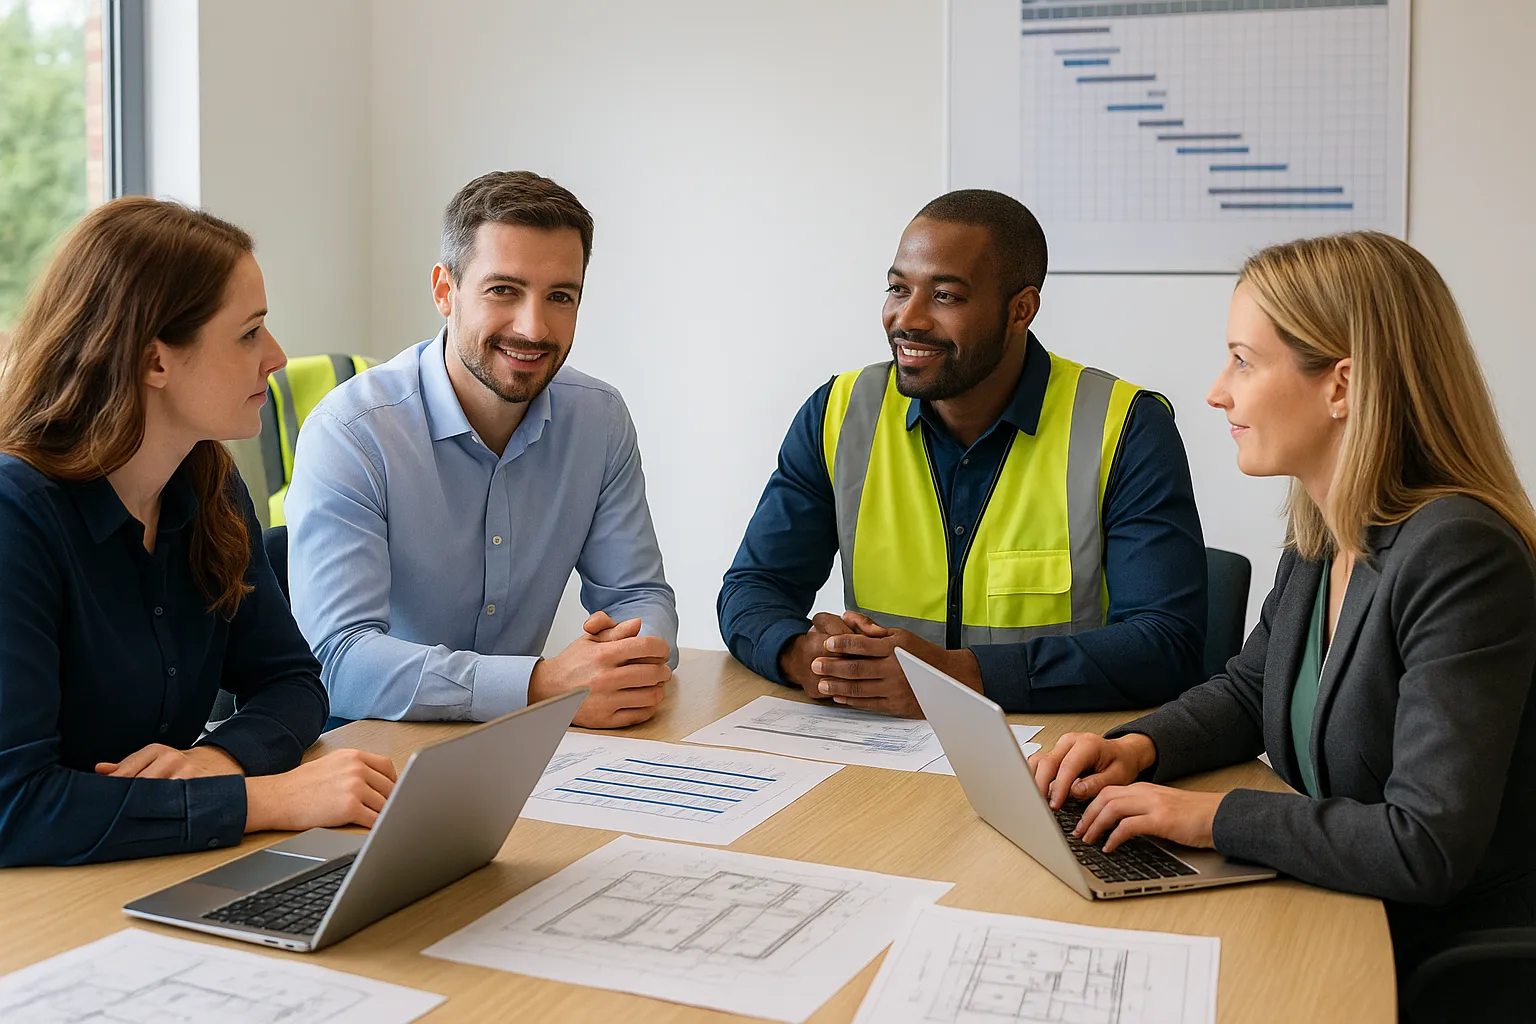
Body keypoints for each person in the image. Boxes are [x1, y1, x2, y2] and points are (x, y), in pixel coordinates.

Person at [1030, 231, 1536, 983]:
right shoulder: (1326, 531)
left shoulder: (1460, 552)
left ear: (1342, 386)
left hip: (1425, 950)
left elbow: (1425, 845)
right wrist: (1136, 749)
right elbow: (1250, 689)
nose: (1216, 391)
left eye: (1243, 360)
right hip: (1332, 900)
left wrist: (1205, 816)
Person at [0, 197, 398, 867]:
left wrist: (218, 758)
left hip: (146, 870)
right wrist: (268, 801)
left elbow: (295, 682)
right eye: (249, 334)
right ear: (155, 361)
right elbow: (15, 806)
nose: (276, 357)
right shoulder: (17, 517)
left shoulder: (206, 482)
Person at [718, 190, 1207, 716]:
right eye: (897, 289)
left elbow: (1165, 645)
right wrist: (805, 657)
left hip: (1056, 756)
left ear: (1020, 310)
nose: (909, 319)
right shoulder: (838, 412)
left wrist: (958, 678)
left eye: (945, 296)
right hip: (879, 749)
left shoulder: (1126, 426)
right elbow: (754, 586)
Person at [286, 171, 678, 730]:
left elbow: (638, 593)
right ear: (446, 291)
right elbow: (339, 663)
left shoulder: (599, 419)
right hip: (367, 753)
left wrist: (629, 658)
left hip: (518, 745)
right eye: (504, 291)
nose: (533, 327)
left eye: (560, 297)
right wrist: (542, 685)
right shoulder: (352, 431)